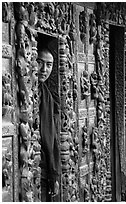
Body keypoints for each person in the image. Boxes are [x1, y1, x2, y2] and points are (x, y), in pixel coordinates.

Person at [37, 47, 60, 201]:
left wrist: (53, 174)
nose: (44, 69)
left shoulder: (47, 95)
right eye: (40, 62)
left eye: (49, 65)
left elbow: (50, 136)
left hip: (44, 166)